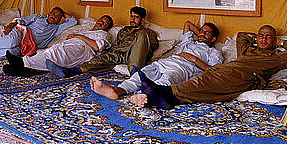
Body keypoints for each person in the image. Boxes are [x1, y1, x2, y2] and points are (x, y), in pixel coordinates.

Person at [133, 25, 287, 109]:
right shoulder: (246, 50)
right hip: (228, 68)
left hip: (247, 74)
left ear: (274, 40)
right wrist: (255, 38)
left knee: (206, 82)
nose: (263, 39)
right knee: (203, 82)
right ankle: (167, 97)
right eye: (261, 35)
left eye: (268, 37)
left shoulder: (275, 57)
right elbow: (241, 35)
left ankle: (165, 93)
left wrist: (281, 42)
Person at [90, 20, 223, 100]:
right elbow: (187, 24)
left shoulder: (214, 52)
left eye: (207, 33)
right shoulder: (188, 43)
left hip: (183, 69)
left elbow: (214, 71)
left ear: (214, 39)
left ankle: (143, 96)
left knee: (165, 81)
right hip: (164, 63)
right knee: (140, 75)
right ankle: (117, 91)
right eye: (201, 31)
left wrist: (193, 59)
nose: (201, 34)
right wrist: (201, 32)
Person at [47, 6, 158, 78]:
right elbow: (116, 45)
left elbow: (151, 46)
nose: (133, 20)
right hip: (119, 54)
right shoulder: (124, 30)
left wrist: (138, 48)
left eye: (136, 17)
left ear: (142, 20)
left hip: (133, 55)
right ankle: (71, 71)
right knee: (98, 60)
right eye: (132, 17)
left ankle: (135, 75)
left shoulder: (147, 33)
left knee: (142, 35)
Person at [4, 15, 114, 77]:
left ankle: (21, 64)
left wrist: (78, 36)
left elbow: (97, 47)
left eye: (105, 23)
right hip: (71, 45)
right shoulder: (87, 31)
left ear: (107, 28)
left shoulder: (104, 34)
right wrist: (75, 36)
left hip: (83, 49)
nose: (101, 22)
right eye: (101, 20)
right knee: (47, 51)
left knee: (56, 53)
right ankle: (24, 68)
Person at [0, 7, 77, 60]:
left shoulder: (57, 28)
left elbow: (73, 21)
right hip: (21, 32)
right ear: (49, 13)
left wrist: (62, 12)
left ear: (59, 19)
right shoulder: (38, 17)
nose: (54, 16)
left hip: (28, 45)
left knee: (10, 52)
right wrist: (10, 25)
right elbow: (21, 21)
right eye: (53, 13)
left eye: (57, 16)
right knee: (11, 41)